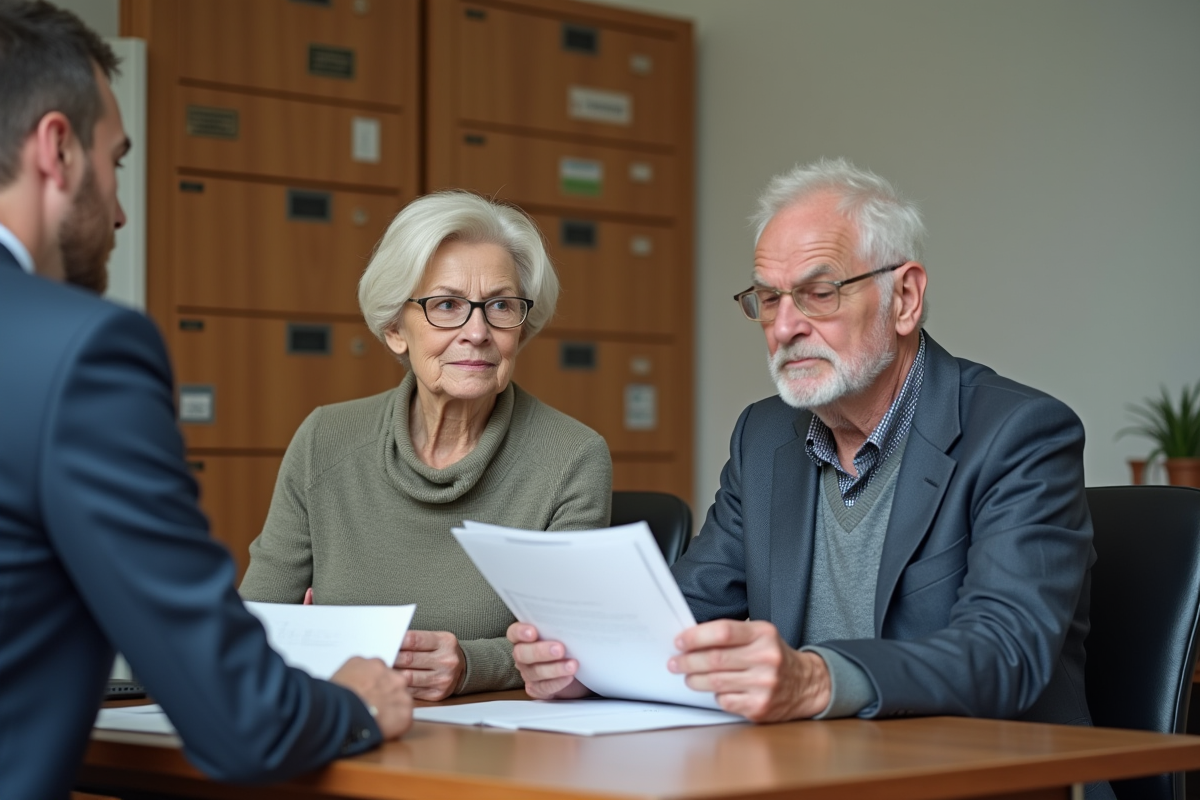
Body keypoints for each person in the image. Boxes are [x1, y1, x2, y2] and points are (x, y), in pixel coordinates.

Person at [509, 158, 1105, 748]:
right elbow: (682, 618)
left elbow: (1005, 651)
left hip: (991, 774)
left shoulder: (1018, 433)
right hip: (811, 771)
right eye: (769, 299)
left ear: (904, 298)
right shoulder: (764, 436)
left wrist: (817, 679)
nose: (784, 326)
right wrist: (586, 667)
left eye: (819, 293)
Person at [0, 4, 412, 798]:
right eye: (116, 162)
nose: (121, 211)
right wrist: (355, 702)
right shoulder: (81, 351)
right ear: (57, 149)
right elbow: (245, 725)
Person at [239, 190, 612, 700]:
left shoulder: (572, 457)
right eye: (447, 305)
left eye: (501, 306)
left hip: (490, 734)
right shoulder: (324, 439)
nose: (477, 332)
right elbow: (254, 624)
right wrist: (303, 640)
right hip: (342, 721)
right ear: (396, 328)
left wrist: (470, 665)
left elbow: (572, 651)